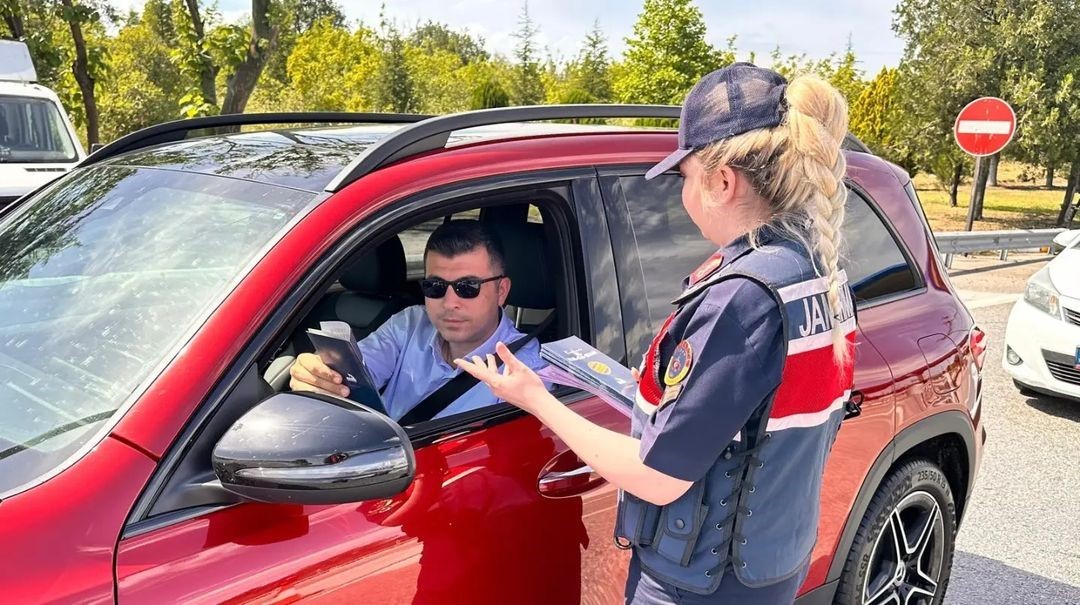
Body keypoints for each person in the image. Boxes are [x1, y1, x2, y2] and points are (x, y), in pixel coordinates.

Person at [455, 63, 857, 604]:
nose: (683, 194)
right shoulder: (815, 270)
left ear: (722, 181)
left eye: (686, 177)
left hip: (700, 584)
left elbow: (657, 478)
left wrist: (534, 399)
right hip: (766, 567)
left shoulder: (741, 298)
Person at [289, 219, 546, 422]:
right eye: (435, 286)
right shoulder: (411, 323)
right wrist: (319, 376)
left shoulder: (527, 373)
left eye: (467, 287)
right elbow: (356, 372)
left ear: (501, 291)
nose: (449, 302)